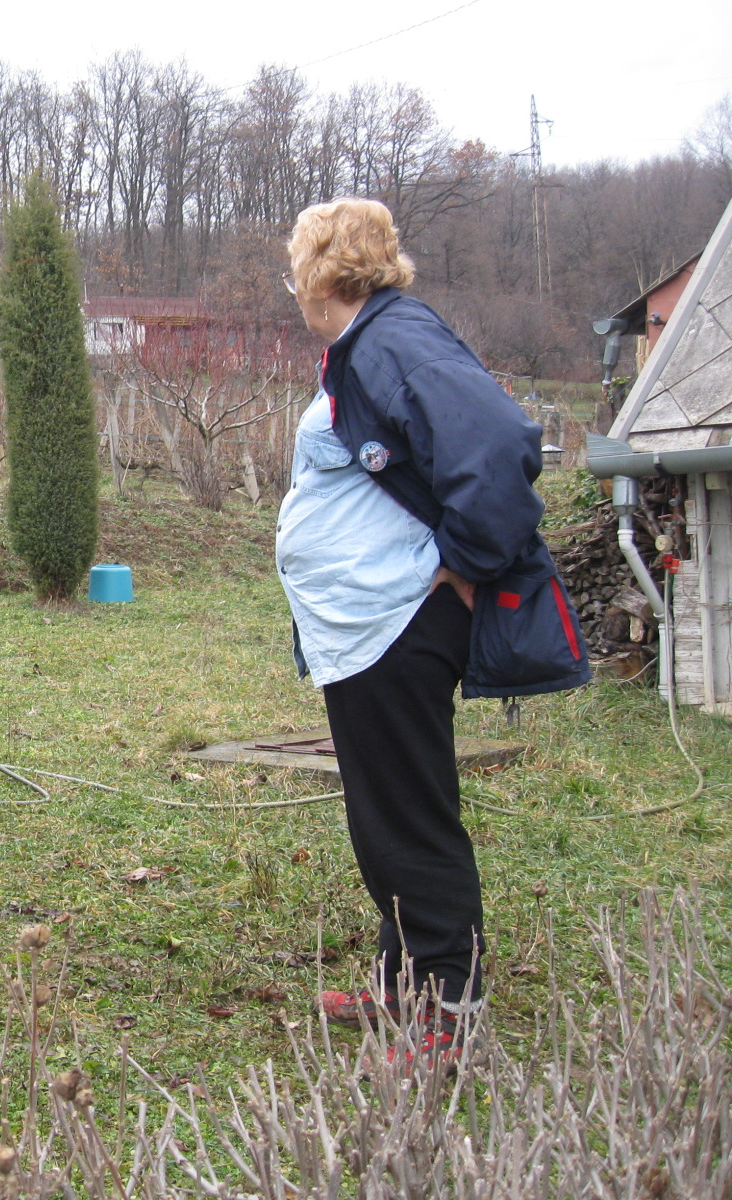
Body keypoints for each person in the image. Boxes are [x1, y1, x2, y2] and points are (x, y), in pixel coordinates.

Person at [276, 198, 588, 1057]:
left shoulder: (392, 341)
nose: (291, 284)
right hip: (369, 628)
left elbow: (493, 444)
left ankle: (450, 1006)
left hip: (399, 624)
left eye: (293, 265)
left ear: (321, 272)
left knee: (408, 816)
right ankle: (403, 979)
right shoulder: (371, 342)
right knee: (391, 809)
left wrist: (466, 560)